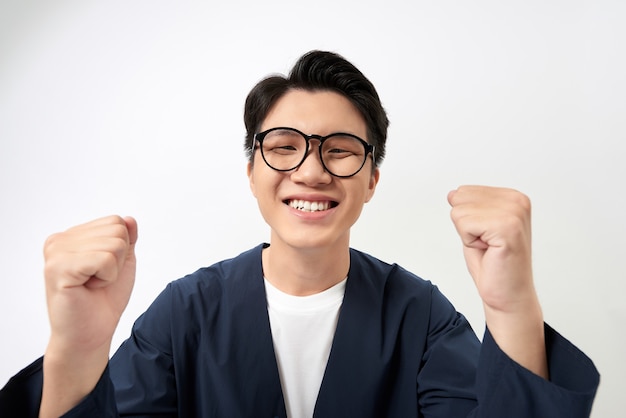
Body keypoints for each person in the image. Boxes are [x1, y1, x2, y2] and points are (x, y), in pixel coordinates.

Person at [0, 50, 599, 418]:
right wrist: (76, 351)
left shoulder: (420, 316)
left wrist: (511, 304)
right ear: (252, 172)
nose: (310, 170)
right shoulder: (185, 313)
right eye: (283, 147)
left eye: (340, 151)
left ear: (371, 181)